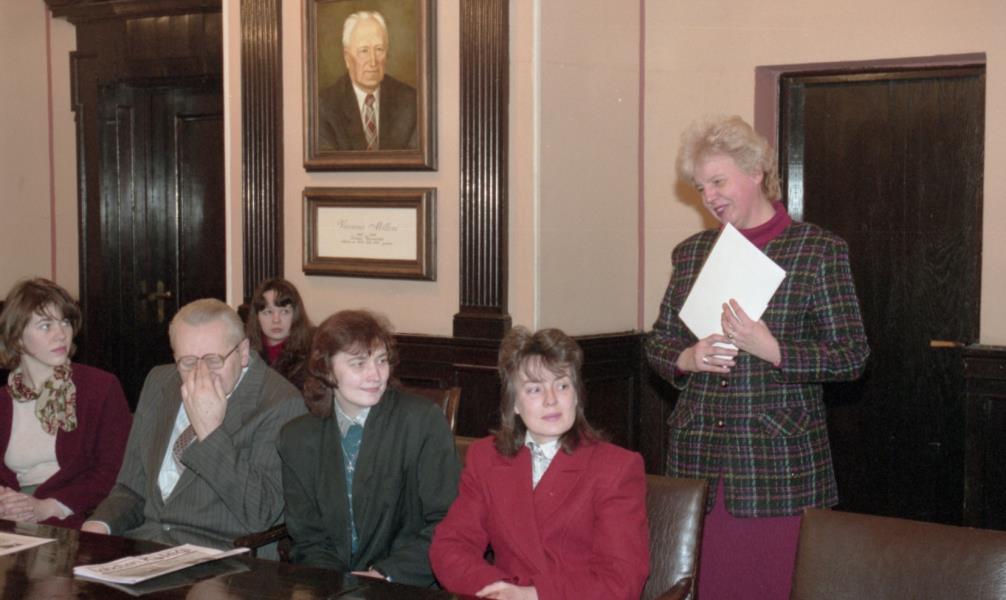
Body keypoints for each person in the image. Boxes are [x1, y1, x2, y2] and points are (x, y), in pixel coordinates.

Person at [645, 115, 870, 599]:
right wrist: (687, 357)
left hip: (779, 469)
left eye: (718, 182)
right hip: (698, 464)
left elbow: (852, 357)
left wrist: (776, 350)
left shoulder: (817, 251)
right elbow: (658, 343)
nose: (709, 197)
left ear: (755, 171)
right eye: (700, 187)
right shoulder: (691, 254)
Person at [430, 327, 649, 600]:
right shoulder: (486, 458)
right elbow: (450, 546)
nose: (551, 400)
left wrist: (533, 595)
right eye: (535, 389)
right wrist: (500, 591)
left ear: (577, 395)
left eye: (562, 385)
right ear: (514, 404)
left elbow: (621, 580)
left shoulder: (616, 468)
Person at [82, 298, 306, 551]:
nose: (201, 373)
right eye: (188, 362)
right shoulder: (160, 382)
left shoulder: (280, 403)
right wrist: (101, 525)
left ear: (243, 352)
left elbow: (261, 513)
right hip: (145, 546)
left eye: (213, 360)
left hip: (222, 555)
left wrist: (210, 433)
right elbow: (132, 488)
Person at [278, 309, 460, 586]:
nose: (375, 375)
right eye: (359, 363)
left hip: (406, 583)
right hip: (330, 584)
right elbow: (309, 537)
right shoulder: (297, 438)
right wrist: (338, 584)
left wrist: (384, 574)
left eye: (381, 360)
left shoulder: (421, 422)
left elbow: (448, 520)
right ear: (326, 369)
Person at [0, 278, 131, 529]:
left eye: (65, 322)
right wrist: (5, 501)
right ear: (17, 339)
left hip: (76, 515)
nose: (61, 334)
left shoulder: (100, 388)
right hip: (13, 518)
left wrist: (47, 507)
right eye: (45, 325)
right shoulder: (3, 401)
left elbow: (115, 471)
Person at [317, 10, 418, 151]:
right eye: (364, 51)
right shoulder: (324, 107)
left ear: (387, 53)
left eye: (379, 49)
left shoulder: (411, 102)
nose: (373, 61)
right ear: (347, 58)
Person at [245, 278, 313, 390]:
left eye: (284, 311)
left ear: (296, 315)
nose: (276, 320)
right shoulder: (245, 355)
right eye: (268, 312)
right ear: (257, 317)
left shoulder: (311, 356)